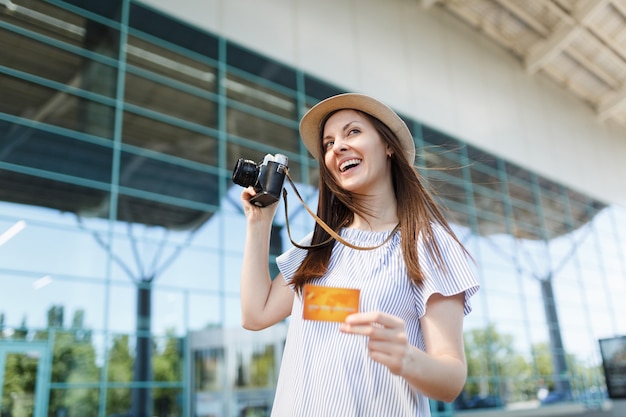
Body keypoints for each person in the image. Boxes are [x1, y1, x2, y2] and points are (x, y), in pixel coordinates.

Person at [239, 93, 480, 416]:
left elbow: (451, 380)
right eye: (328, 143)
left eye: (352, 132)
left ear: (388, 146)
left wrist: (407, 357)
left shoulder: (428, 245)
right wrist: (258, 223)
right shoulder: (320, 245)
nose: (336, 147)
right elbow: (256, 314)